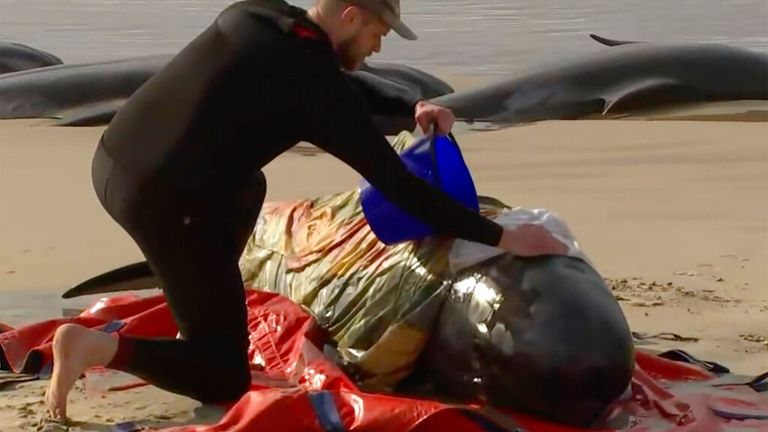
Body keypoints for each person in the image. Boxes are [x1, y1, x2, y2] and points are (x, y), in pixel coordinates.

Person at [44, 0, 567, 419]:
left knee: (248, 187)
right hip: (165, 199)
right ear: (350, 16)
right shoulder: (312, 85)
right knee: (223, 375)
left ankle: (199, 314)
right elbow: (399, 187)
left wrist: (410, 108)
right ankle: (93, 349)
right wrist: (499, 238)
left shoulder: (259, 16)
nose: (377, 45)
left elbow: (340, 85)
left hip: (115, 160)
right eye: (377, 32)